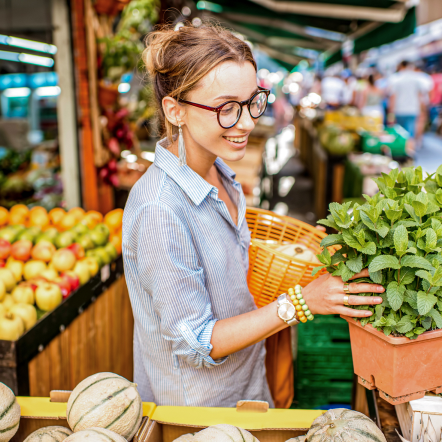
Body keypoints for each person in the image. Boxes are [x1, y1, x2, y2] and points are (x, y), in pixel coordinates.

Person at [122, 23, 384, 408]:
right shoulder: (159, 210)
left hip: (247, 388)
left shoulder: (219, 173)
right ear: (174, 110)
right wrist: (301, 302)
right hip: (199, 417)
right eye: (227, 108)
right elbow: (197, 342)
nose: (246, 122)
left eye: (252, 102)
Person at [388, 61, 426, 139]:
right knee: (410, 133)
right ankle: (410, 149)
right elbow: (420, 96)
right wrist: (422, 110)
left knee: (399, 133)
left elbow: (393, 97)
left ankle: (403, 149)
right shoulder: (416, 79)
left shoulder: (396, 78)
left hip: (399, 109)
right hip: (413, 109)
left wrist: (390, 112)